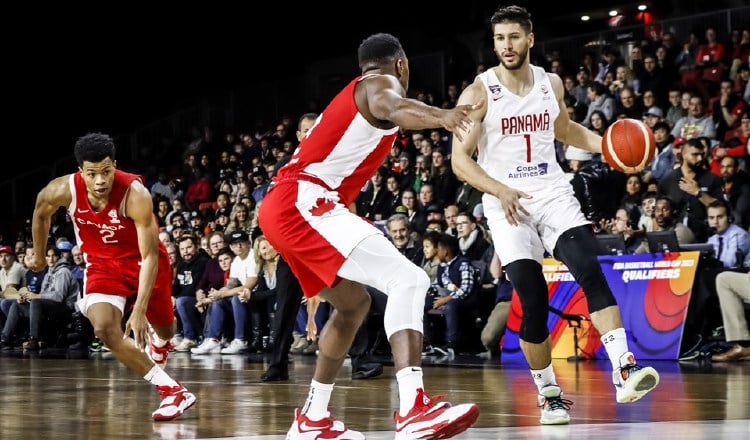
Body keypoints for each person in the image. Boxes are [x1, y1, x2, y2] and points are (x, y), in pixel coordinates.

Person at [258, 32, 481, 439]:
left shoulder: (356, 94)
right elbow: (393, 106)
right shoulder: (381, 83)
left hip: (291, 204)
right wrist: (444, 116)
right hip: (303, 200)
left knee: (352, 306)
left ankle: (312, 418)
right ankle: (413, 408)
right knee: (409, 278)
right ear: (401, 64)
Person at [450, 5, 659, 425]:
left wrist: (611, 148)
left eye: (513, 37)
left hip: (551, 191)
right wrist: (499, 188)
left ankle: (625, 368)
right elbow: (459, 160)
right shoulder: (478, 93)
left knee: (589, 268)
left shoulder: (552, 83)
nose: (506, 46)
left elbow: (564, 130)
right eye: (499, 39)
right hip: (505, 201)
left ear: (530, 39)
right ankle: (548, 392)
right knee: (533, 299)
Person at [26, 132, 195, 421]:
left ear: (114, 165)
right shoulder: (61, 190)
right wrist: (40, 256)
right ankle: (173, 392)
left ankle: (160, 342)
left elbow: (150, 256)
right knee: (104, 328)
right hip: (103, 266)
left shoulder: (135, 193)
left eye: (106, 171)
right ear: (81, 171)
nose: (101, 180)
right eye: (92, 174)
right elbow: (41, 213)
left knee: (166, 330)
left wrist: (139, 309)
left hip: (144, 263)